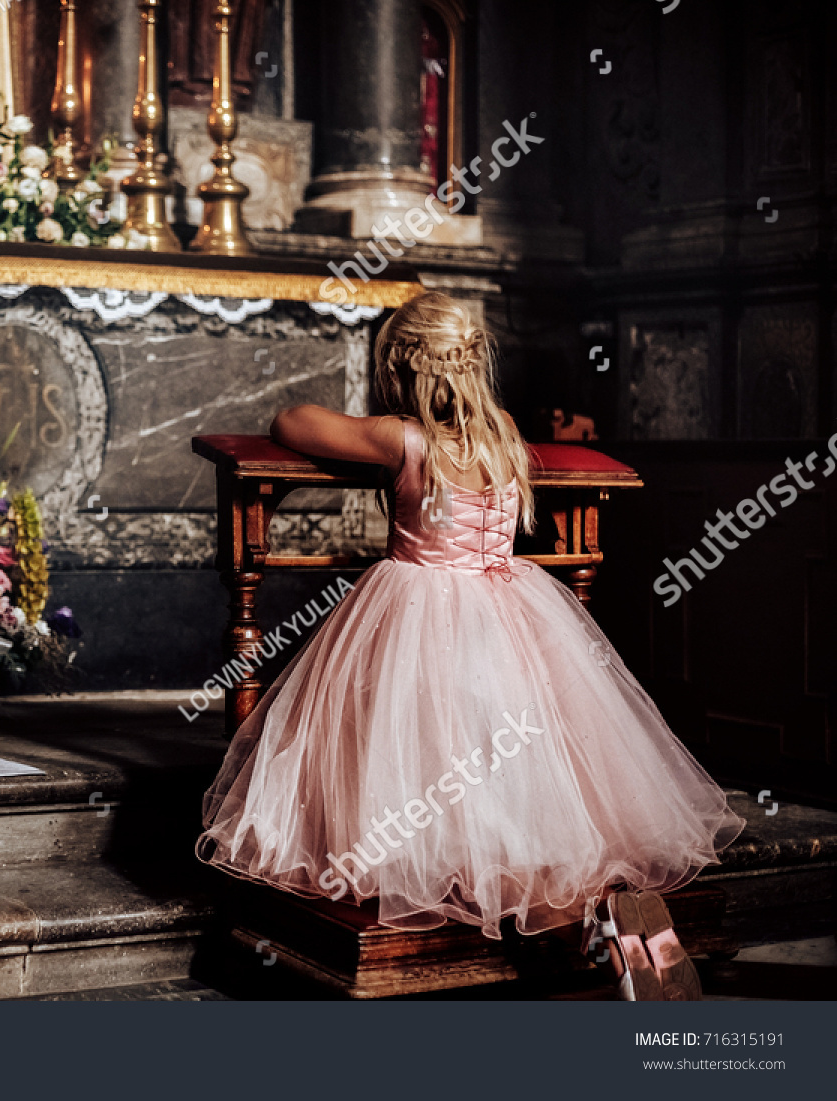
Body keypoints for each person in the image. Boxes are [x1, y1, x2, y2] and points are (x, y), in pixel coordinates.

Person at [196, 291, 745, 1000]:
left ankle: (565, 915)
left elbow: (290, 422)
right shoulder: (506, 435)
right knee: (523, 767)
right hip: (512, 610)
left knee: (417, 745)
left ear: (403, 367)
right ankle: (618, 922)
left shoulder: (403, 438)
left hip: (423, 606)